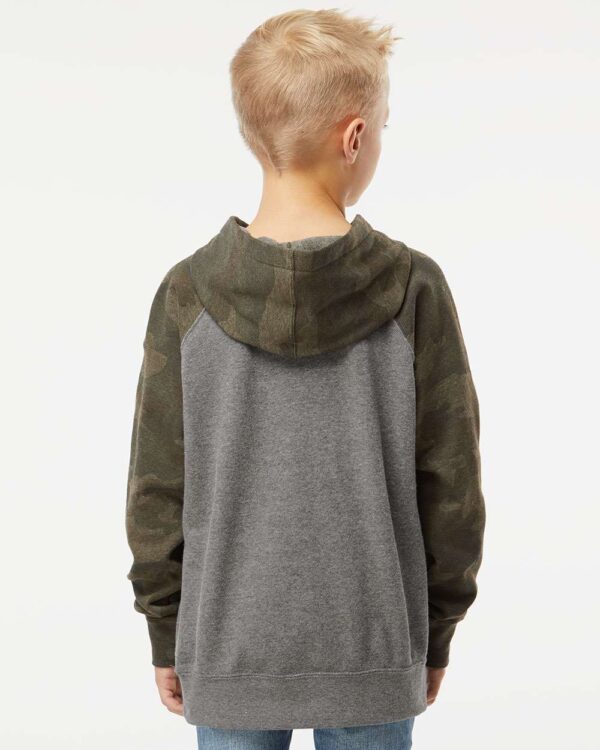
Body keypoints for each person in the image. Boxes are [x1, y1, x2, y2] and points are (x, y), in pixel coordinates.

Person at [124, 8, 486, 750]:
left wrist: (167, 627)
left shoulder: (187, 295)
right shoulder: (414, 290)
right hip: (375, 649)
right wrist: (437, 628)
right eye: (382, 128)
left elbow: (157, 486)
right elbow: (451, 485)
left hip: (226, 649)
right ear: (354, 137)